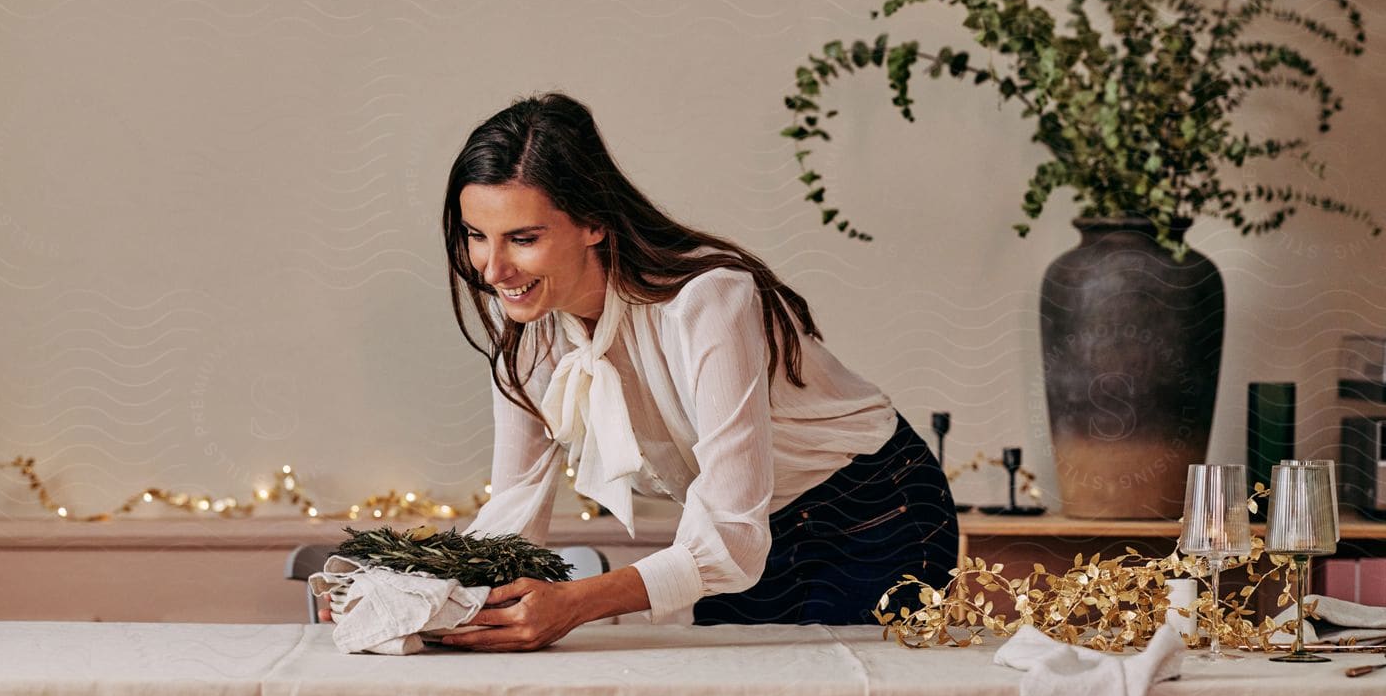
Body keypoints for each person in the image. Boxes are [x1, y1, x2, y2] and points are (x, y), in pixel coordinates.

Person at [345, 92, 958, 651]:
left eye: (523, 238)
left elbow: (731, 536)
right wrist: (404, 596)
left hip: (872, 509)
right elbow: (513, 511)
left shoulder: (709, 301)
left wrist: (577, 604)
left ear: (593, 221)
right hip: (739, 537)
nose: (493, 269)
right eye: (477, 236)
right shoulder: (530, 331)